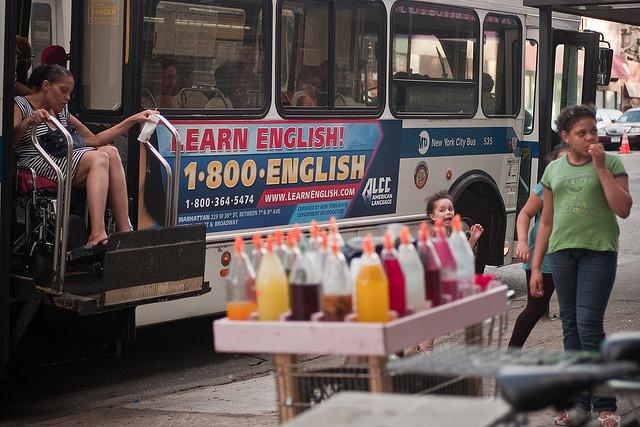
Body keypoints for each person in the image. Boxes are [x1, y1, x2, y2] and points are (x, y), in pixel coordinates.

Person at [530, 104, 632, 427]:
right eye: (582, 133)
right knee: (570, 327)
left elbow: (624, 208)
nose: (590, 137)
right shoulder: (553, 172)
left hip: (598, 253)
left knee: (589, 325)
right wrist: (535, 267)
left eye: (593, 131)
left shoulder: (612, 162)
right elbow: (545, 222)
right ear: (565, 137)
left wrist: (601, 169)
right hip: (561, 254)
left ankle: (604, 404)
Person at [13, 64, 156, 248]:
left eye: (70, 93)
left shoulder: (61, 111)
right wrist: (30, 121)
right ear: (46, 85)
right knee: (99, 158)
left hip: (63, 158)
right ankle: (96, 233)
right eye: (63, 91)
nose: (67, 98)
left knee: (110, 151)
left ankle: (124, 230)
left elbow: (95, 139)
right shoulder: (21, 104)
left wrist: (134, 119)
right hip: (35, 161)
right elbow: (10, 140)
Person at [508, 144, 569, 348]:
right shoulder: (547, 186)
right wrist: (523, 241)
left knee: (581, 309)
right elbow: (525, 214)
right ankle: (512, 354)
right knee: (536, 307)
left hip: (574, 253)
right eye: (560, 162)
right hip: (545, 254)